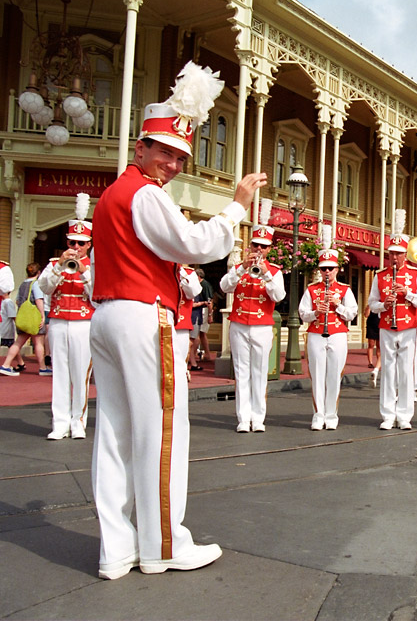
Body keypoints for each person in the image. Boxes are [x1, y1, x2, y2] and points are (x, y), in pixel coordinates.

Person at [89, 61, 266, 579]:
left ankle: (117, 548)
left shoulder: (112, 196)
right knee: (164, 430)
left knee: (118, 433)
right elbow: (194, 244)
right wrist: (236, 208)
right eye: (163, 150)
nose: (170, 163)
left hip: (109, 315)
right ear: (140, 147)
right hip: (144, 315)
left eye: (179, 155)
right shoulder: (144, 193)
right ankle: (164, 544)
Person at [220, 198, 286, 433]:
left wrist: (266, 275)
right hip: (239, 324)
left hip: (261, 327)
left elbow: (278, 296)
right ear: (250, 246)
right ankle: (242, 418)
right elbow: (224, 287)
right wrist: (240, 269)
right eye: (255, 245)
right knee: (241, 371)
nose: (258, 250)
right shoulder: (239, 267)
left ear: (269, 249)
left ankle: (258, 418)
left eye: (263, 246)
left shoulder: (275, 271)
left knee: (259, 373)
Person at [37, 196, 95, 439]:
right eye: (72, 242)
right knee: (59, 373)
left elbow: (97, 296)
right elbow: (45, 288)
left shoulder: (94, 266)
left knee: (81, 374)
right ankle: (59, 423)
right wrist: (59, 267)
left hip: (84, 323)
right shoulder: (54, 263)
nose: (76, 248)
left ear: (89, 245)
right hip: (59, 321)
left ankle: (78, 422)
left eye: (81, 244)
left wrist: (84, 273)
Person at [369, 210, 417, 429]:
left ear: (405, 254)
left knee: (405, 371)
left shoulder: (415, 275)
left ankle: (404, 416)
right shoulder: (380, 275)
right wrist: (384, 305)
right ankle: (387, 414)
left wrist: (407, 294)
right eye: (391, 253)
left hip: (408, 327)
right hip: (386, 326)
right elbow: (372, 303)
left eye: (398, 253)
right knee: (388, 370)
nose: (394, 257)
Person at [300, 226, 357, 430]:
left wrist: (337, 305)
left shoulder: (344, 289)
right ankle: (318, 414)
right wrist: (316, 312)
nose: (326, 272)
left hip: (338, 333)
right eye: (323, 268)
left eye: (330, 268)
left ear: (337, 269)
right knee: (317, 374)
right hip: (316, 333)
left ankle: (331, 415)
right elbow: (302, 313)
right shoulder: (311, 289)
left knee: (334, 374)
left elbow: (352, 313)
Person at [0, 262, 48, 376]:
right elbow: (38, 300)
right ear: (38, 272)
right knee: (38, 343)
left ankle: (6, 364)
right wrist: (42, 315)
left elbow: (17, 301)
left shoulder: (22, 285)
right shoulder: (36, 284)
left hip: (23, 318)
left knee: (18, 342)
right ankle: (42, 367)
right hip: (33, 317)